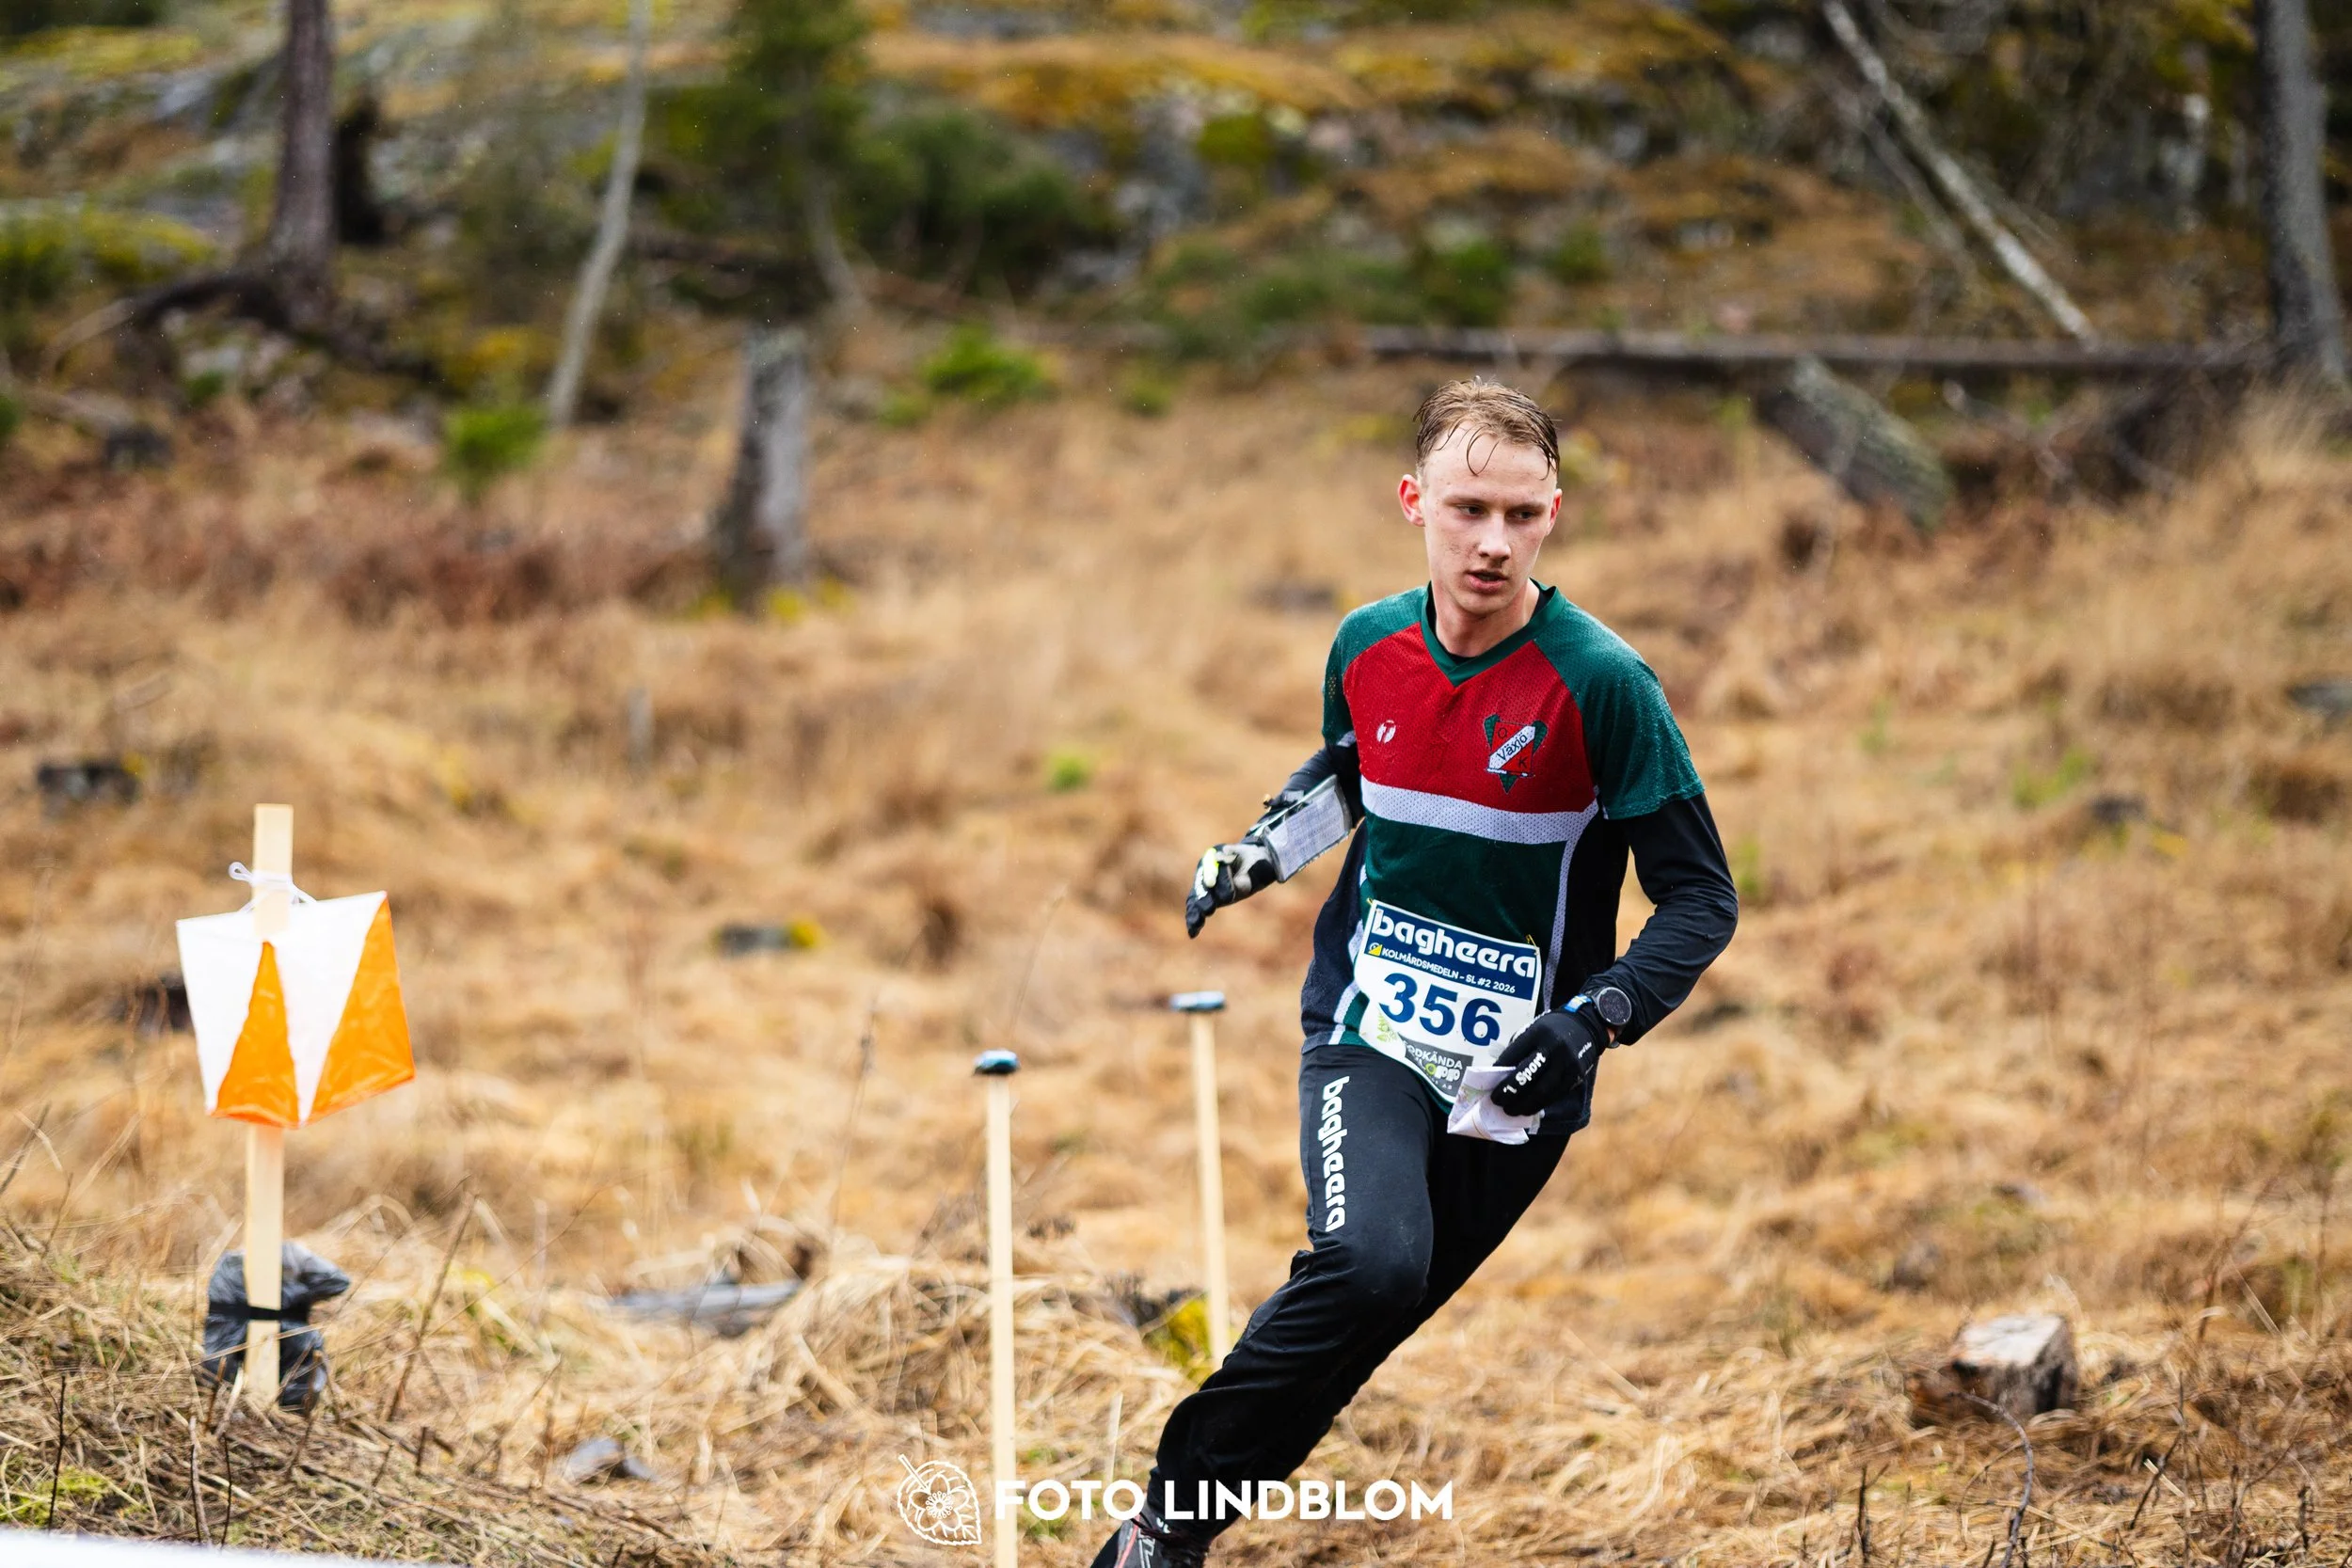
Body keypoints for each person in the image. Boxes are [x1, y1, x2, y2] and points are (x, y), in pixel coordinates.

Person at [1090, 380, 1740, 1568]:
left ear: (1555, 514)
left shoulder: (1604, 685)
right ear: (1413, 503)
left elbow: (1702, 897)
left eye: (1519, 514)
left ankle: (1170, 1536)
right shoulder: (1365, 643)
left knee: (1363, 1321)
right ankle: (1154, 1533)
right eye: (1465, 509)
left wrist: (1592, 1021)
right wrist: (1259, 850)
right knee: (1366, 1261)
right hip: (1372, 1021)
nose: (1491, 541)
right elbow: (1357, 768)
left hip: (1518, 1077)